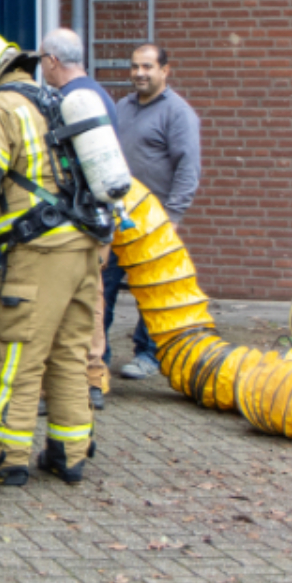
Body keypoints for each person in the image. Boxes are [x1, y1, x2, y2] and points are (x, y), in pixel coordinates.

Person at [0, 30, 100, 486]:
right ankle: (69, 452)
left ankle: (3, 455)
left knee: (19, 353)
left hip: (40, 250)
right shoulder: (49, 97)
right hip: (82, 242)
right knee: (69, 352)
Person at [29, 28, 120, 481]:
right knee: (85, 311)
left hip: (75, 228)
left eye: (42, 60)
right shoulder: (98, 94)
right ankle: (77, 440)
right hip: (97, 222)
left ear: (50, 60)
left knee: (68, 327)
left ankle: (89, 381)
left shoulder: (71, 101)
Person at [105, 43, 202, 380]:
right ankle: (97, 357)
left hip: (154, 223)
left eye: (147, 67)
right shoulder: (122, 107)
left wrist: (173, 217)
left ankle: (148, 354)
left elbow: (188, 168)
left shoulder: (178, 113)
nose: (139, 74)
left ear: (165, 70)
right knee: (103, 286)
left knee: (153, 292)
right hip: (117, 217)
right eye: (135, 67)